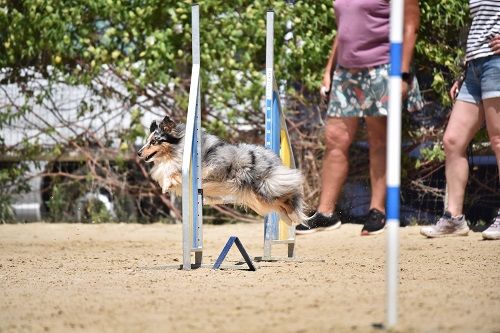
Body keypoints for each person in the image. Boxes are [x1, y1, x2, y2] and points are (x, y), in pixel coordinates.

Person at [296, 0, 422, 236]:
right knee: (335, 139)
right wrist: (328, 71)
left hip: (382, 68)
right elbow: (344, 31)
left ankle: (377, 210)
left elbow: (410, 26)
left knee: (379, 141)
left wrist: (402, 73)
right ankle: (326, 213)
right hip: (346, 72)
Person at [420, 1, 500, 240]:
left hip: (496, 61)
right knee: (453, 140)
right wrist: (463, 72)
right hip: (475, 65)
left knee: (498, 140)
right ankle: (454, 219)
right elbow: (479, 23)